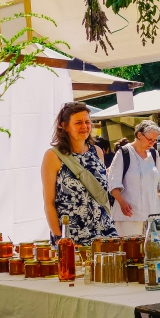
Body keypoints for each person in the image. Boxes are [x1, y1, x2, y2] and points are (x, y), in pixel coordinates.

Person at [41, 102, 117, 246]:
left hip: (105, 235)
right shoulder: (53, 156)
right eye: (78, 122)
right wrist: (59, 239)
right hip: (72, 239)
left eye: (87, 122)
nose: (85, 126)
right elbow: (48, 204)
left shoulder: (97, 152)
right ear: (64, 126)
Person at [107, 120, 160, 236]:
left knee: (155, 252)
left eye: (155, 140)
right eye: (150, 139)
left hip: (153, 216)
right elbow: (113, 183)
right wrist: (122, 202)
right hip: (129, 217)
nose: (152, 143)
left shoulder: (154, 154)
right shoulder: (123, 153)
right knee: (131, 252)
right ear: (139, 135)